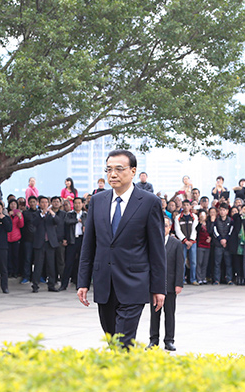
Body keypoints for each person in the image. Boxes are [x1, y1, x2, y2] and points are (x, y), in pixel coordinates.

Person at [77, 149, 166, 348]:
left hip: (134, 283)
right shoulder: (98, 201)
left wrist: (159, 287)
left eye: (119, 169)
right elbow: (89, 245)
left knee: (122, 343)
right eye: (108, 170)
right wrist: (83, 281)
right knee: (112, 341)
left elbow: (157, 250)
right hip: (104, 283)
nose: (113, 174)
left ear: (133, 171)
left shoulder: (149, 202)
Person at [148, 217, 184, 351]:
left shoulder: (176, 243)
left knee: (169, 314)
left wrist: (178, 283)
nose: (163, 228)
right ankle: (153, 340)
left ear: (170, 228)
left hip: (170, 285)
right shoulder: (152, 242)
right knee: (154, 314)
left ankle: (169, 340)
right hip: (154, 285)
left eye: (166, 226)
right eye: (161, 225)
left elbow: (180, 265)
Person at [31, 196, 60, 293]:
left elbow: (58, 222)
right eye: (42, 202)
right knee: (38, 265)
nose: (44, 204)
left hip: (50, 243)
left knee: (51, 265)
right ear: (39, 203)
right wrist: (42, 214)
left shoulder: (51, 214)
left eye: (46, 202)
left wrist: (52, 214)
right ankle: (35, 285)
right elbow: (34, 223)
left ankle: (51, 284)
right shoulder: (36, 214)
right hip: (40, 243)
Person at [60, 197, 86, 291]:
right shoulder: (69, 214)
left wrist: (84, 225)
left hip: (82, 241)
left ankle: (80, 285)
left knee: (81, 263)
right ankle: (64, 284)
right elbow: (66, 223)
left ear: (82, 204)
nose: (77, 205)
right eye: (75, 203)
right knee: (68, 263)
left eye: (79, 203)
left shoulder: (86, 215)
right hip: (72, 240)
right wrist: (77, 221)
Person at [174, 200, 198, 285]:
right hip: (182, 243)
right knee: (182, 261)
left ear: (190, 206)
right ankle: (182, 280)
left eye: (188, 205)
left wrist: (191, 241)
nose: (186, 207)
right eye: (184, 205)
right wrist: (185, 240)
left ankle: (193, 279)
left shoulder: (194, 216)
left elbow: (195, 229)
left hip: (193, 242)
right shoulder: (178, 217)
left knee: (193, 262)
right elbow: (177, 230)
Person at [212, 203, 233, 285]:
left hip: (227, 245)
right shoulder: (216, 221)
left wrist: (226, 240)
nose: (222, 212)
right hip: (218, 244)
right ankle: (216, 280)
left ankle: (229, 279)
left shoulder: (230, 221)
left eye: (224, 210)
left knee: (228, 263)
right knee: (217, 263)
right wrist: (220, 239)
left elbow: (231, 231)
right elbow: (215, 231)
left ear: (227, 211)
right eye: (220, 210)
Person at [20, 196, 38, 284]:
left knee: (38, 259)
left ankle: (39, 276)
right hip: (28, 239)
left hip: (38, 239)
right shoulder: (25, 213)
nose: (32, 203)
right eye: (30, 202)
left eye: (34, 202)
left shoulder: (40, 213)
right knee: (27, 259)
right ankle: (26, 276)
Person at [6, 199, 24, 279]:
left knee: (16, 256)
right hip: (7, 237)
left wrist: (20, 217)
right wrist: (8, 216)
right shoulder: (6, 213)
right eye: (11, 204)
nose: (13, 206)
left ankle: (16, 272)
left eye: (14, 204)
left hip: (16, 237)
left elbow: (21, 225)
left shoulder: (19, 214)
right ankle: (10, 271)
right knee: (8, 256)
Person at [196, 210, 211, 284]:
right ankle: (199, 278)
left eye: (204, 215)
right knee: (199, 262)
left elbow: (211, 231)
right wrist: (200, 223)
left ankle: (203, 277)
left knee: (205, 263)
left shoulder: (208, 224)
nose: (202, 217)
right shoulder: (198, 224)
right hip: (200, 245)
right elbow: (197, 230)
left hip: (207, 245)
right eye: (201, 215)